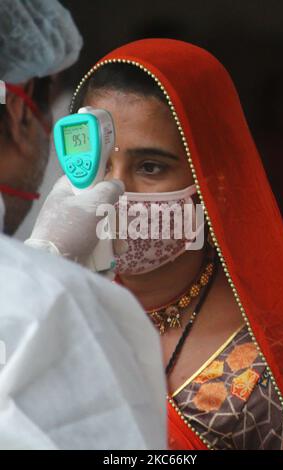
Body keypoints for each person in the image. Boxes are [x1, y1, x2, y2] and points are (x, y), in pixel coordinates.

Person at [53, 38, 283, 450]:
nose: (114, 189)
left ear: (212, 182)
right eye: (98, 163)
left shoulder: (272, 358)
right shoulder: (55, 314)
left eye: (149, 167)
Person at [0, 3, 166, 450]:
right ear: (19, 112)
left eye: (150, 165)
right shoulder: (56, 307)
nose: (122, 185)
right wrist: (45, 268)